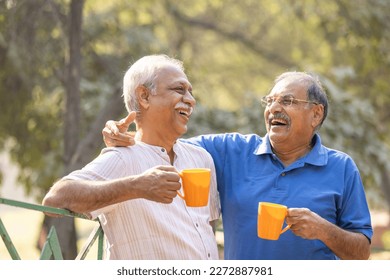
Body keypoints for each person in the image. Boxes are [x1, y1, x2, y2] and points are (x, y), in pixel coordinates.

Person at [102, 71, 373, 260]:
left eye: (287, 101)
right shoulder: (231, 151)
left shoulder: (341, 167)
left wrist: (323, 230)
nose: (274, 109)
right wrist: (123, 134)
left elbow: (361, 252)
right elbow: (164, 142)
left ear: (316, 114)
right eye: (270, 101)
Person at [42, 54, 220, 260]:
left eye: (190, 91)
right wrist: (137, 187)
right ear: (144, 96)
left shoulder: (201, 159)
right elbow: (54, 200)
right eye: (179, 90)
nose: (190, 100)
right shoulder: (122, 158)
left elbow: (208, 231)